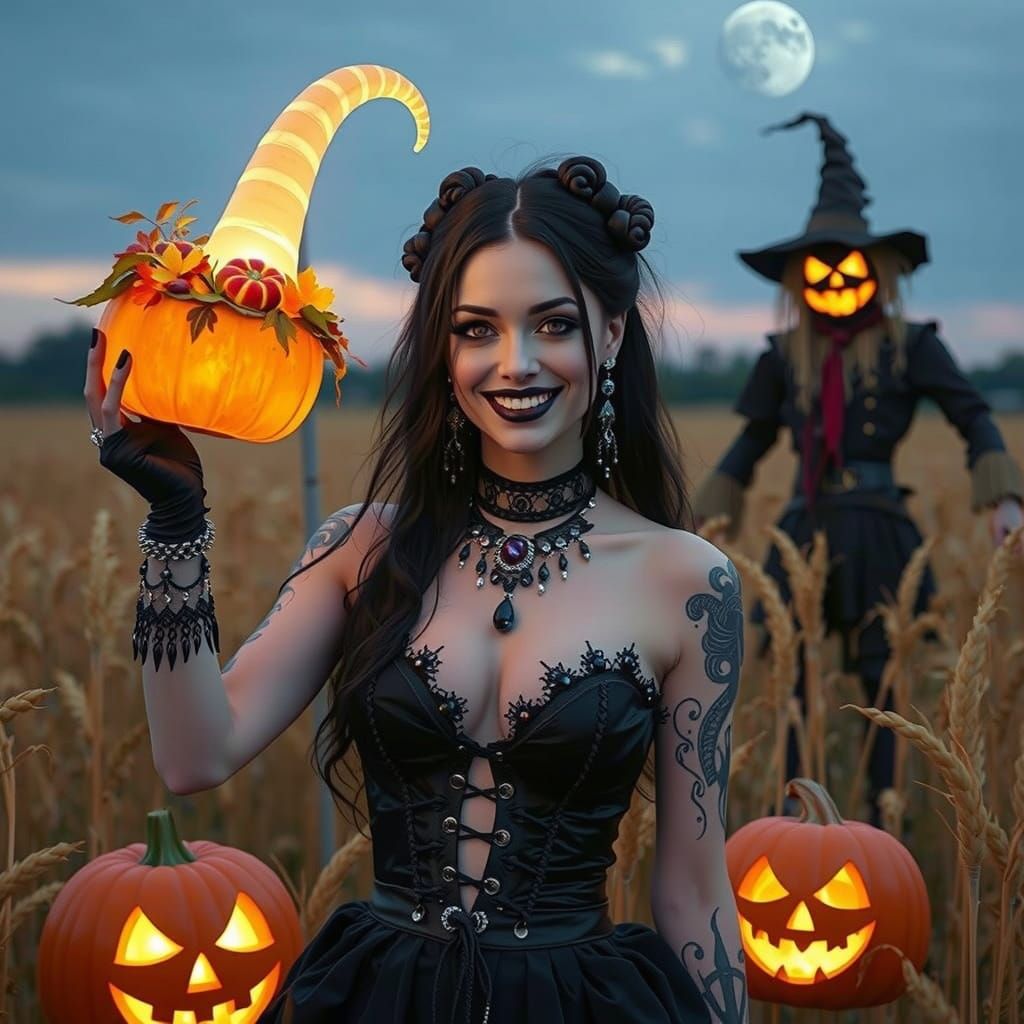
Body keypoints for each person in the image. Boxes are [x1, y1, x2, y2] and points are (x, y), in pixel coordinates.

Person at [85, 156, 749, 1023]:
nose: (515, 364)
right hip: (381, 997)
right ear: (442, 346)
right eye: (476, 330)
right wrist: (176, 522)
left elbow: (694, 890)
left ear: (613, 333)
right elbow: (195, 755)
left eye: (552, 325)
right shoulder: (362, 547)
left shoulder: (688, 582)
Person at [692, 114, 1024, 824]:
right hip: (804, 527)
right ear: (797, 275)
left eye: (850, 264)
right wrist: (703, 518)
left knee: (887, 681)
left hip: (880, 532)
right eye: (820, 265)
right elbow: (751, 443)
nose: (835, 278)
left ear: (879, 271)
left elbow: (970, 414)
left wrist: (1004, 499)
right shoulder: (785, 355)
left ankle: (882, 819)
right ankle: (795, 821)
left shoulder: (909, 345)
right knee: (794, 684)